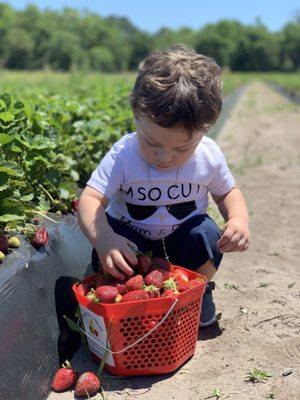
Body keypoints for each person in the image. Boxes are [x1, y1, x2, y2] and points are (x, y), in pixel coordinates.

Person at [77, 44, 250, 327]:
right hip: (132, 238)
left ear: (205, 130)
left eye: (182, 148)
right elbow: (91, 199)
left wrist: (239, 220)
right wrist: (104, 239)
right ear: (135, 114)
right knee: (113, 246)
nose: (164, 157)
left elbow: (228, 192)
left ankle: (196, 291)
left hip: (182, 238)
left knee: (206, 235)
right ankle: (123, 293)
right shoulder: (124, 155)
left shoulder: (208, 155)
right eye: (152, 142)